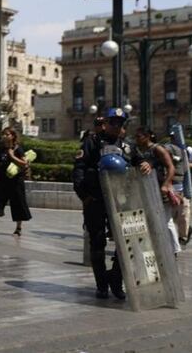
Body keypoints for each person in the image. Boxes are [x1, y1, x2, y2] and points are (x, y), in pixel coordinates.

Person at [72, 109, 132, 300]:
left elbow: (140, 163)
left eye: (120, 123)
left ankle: (116, 280)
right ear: (106, 123)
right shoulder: (92, 142)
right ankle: (101, 285)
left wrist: (146, 164)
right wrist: (84, 196)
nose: (117, 126)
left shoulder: (127, 146)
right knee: (97, 243)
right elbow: (79, 169)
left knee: (124, 244)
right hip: (96, 200)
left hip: (119, 201)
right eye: (113, 122)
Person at [133, 128, 180, 254]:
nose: (136, 139)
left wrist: (166, 184)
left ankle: (174, 249)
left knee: (166, 220)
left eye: (139, 136)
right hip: (145, 188)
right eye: (135, 136)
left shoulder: (157, 149)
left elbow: (171, 167)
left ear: (147, 136)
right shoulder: (137, 150)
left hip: (160, 189)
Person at [0, 127, 31, 236]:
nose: (4, 136)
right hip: (3, 180)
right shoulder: (1, 149)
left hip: (16, 181)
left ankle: (18, 228)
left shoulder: (18, 149)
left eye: (7, 134)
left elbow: (24, 163)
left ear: (13, 136)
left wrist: (12, 156)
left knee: (18, 203)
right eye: (3, 134)